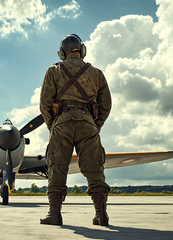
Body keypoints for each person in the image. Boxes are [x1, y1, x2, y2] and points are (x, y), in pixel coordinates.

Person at [39, 34, 112, 226]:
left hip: (61, 124)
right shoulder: (96, 73)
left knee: (57, 167)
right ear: (82, 50)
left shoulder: (53, 71)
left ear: (62, 53)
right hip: (88, 124)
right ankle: (101, 215)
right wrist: (95, 125)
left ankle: (54, 215)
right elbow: (106, 104)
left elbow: (45, 103)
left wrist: (52, 124)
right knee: (95, 168)